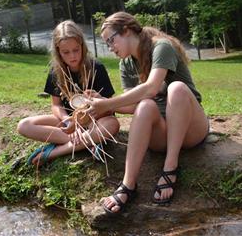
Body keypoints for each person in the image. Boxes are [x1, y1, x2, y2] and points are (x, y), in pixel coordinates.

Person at [85, 12, 209, 214]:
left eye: (111, 40)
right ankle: (128, 185)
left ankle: (170, 167)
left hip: (191, 129)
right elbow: (133, 105)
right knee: (144, 106)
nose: (110, 48)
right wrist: (102, 103)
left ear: (126, 31)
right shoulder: (125, 64)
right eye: (107, 43)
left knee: (176, 88)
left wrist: (107, 104)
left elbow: (152, 87)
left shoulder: (161, 47)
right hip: (162, 134)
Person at [17, 20, 119, 166]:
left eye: (76, 50)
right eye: (66, 52)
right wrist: (68, 121)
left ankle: (54, 152)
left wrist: (86, 120)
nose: (72, 56)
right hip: (69, 125)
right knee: (24, 125)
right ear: (58, 51)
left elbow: (108, 109)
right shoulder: (56, 72)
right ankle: (89, 143)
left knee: (112, 124)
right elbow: (56, 106)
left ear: (82, 47)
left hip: (95, 122)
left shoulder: (97, 68)